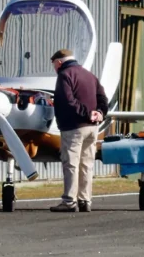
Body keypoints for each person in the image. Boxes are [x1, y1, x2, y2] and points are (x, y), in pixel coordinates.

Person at [49, 48, 108, 213]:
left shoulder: (64, 75)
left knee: (71, 164)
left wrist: (86, 113)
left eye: (54, 65)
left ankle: (69, 201)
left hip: (73, 127)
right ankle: (85, 200)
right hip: (92, 128)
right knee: (87, 164)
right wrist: (100, 113)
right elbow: (102, 98)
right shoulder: (89, 75)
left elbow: (68, 101)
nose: (55, 68)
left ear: (59, 62)